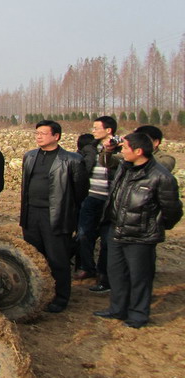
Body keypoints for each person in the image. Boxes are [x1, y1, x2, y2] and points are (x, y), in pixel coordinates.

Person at [94, 132, 182, 328]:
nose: (122, 151)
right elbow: (108, 165)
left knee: (139, 277)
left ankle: (138, 315)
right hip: (117, 230)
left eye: (125, 148)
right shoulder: (125, 168)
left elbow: (173, 210)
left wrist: (153, 225)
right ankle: (117, 309)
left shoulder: (161, 177)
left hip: (141, 236)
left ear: (139, 151)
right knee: (116, 273)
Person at [19, 120, 89, 313]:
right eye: (37, 133)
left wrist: (67, 210)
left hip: (56, 215)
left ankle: (60, 297)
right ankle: (37, 293)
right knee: (34, 257)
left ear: (56, 136)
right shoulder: (30, 156)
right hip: (31, 214)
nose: (39, 137)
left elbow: (80, 191)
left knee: (58, 258)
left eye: (43, 133)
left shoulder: (72, 160)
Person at [76, 116, 122, 291]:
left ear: (108, 130)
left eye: (96, 128)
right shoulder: (90, 149)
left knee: (107, 240)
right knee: (83, 234)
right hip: (91, 197)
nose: (93, 131)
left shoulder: (121, 149)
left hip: (111, 201)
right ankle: (87, 267)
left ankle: (104, 276)